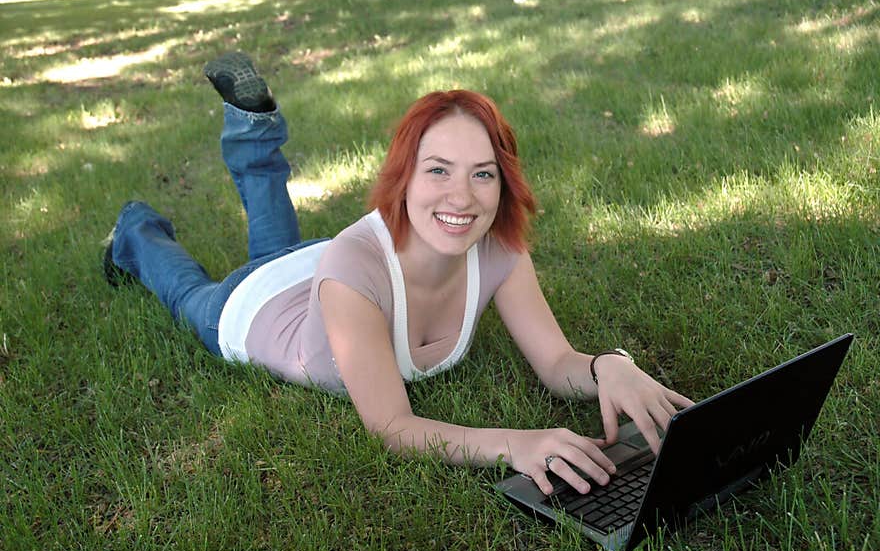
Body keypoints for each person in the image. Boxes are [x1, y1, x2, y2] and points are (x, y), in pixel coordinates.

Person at [104, 51, 694, 497]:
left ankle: (253, 128)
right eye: (439, 170)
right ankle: (136, 230)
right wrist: (515, 444)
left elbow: (558, 364)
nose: (462, 197)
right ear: (403, 175)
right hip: (254, 309)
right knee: (186, 294)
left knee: (275, 246)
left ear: (503, 182)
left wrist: (608, 367)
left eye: (482, 174)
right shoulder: (353, 264)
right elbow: (391, 426)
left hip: (318, 266)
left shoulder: (499, 247)